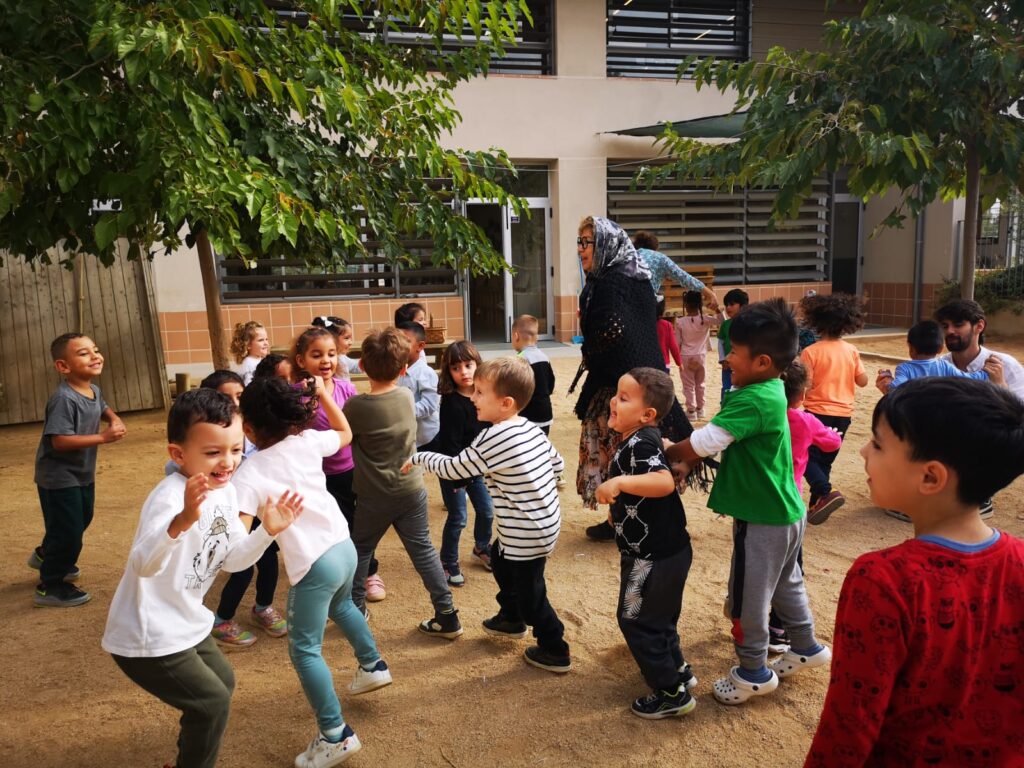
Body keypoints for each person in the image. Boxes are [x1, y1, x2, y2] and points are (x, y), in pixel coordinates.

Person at [805, 378, 1024, 767]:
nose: (863, 450)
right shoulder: (1020, 560)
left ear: (930, 477)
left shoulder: (883, 580)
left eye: (877, 445)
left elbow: (850, 723)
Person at [101, 388, 302, 768]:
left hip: (186, 619)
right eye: (213, 452)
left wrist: (267, 531)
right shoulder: (169, 498)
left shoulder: (226, 492)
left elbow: (234, 561)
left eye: (236, 449)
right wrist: (181, 521)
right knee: (210, 702)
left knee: (222, 682)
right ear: (178, 454)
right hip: (148, 632)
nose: (228, 461)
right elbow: (143, 565)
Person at [666, 299, 830, 705]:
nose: (725, 359)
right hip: (785, 512)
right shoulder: (771, 388)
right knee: (787, 583)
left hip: (762, 520)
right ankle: (806, 645)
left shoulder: (752, 398)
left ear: (761, 361)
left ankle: (753, 671)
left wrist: (668, 450)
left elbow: (706, 442)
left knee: (748, 596)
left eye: (733, 352)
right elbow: (721, 442)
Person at [232, 376, 391, 768]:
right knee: (343, 606)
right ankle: (372, 665)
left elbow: (237, 540)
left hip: (314, 563)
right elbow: (345, 433)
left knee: (304, 650)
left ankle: (335, 734)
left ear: (248, 428)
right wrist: (322, 394)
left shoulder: (249, 474)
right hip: (343, 546)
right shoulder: (306, 441)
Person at [409, 356, 571, 673]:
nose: (473, 397)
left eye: (480, 392)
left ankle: (555, 648)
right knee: (499, 557)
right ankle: (511, 617)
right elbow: (558, 464)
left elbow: (455, 468)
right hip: (540, 524)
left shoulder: (493, 437)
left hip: (525, 532)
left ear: (505, 403)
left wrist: (419, 457)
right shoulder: (529, 428)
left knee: (532, 594)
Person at [575, 216, 695, 542]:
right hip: (623, 382)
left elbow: (614, 330)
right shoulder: (629, 276)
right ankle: (618, 518)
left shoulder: (615, 281)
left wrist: (596, 352)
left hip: (628, 383)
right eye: (579, 242)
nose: (581, 249)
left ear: (605, 244)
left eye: (587, 242)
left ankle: (630, 519)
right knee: (618, 452)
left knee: (628, 453)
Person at [344, 328, 462, 637]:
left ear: (363, 366)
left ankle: (355, 610)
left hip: (373, 495)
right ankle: (447, 614)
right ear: (403, 369)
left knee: (361, 549)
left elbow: (345, 436)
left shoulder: (356, 406)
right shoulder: (406, 396)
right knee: (423, 551)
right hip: (411, 489)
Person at [595, 367, 696, 718]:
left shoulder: (640, 442)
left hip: (649, 558)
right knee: (660, 617)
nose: (613, 401)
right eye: (616, 394)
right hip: (668, 552)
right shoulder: (644, 436)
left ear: (647, 414)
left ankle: (670, 693)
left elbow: (663, 482)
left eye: (624, 398)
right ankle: (678, 670)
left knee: (636, 620)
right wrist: (618, 511)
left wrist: (619, 484)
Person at [180, 371, 286, 648]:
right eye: (227, 398)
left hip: (256, 511)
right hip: (227, 515)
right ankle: (221, 619)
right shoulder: (196, 450)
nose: (235, 403)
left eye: (240, 396)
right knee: (242, 569)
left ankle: (263, 607)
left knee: (268, 561)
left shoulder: (252, 434)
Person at [29, 333, 126, 607]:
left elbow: (101, 406)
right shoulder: (64, 399)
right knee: (69, 532)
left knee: (80, 519)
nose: (95, 356)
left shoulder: (92, 389)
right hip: (58, 477)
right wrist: (103, 437)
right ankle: (51, 585)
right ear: (63, 366)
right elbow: (59, 441)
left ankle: (46, 553)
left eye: (95, 349)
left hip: (81, 473)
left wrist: (113, 418)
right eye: (83, 353)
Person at [765, 360, 843, 649]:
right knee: (790, 567)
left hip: (759, 500)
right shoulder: (804, 420)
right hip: (790, 504)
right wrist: (832, 432)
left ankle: (745, 610)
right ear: (802, 394)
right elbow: (832, 443)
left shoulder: (763, 414)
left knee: (758, 563)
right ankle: (778, 626)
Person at [427, 340, 494, 586]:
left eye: (468, 365)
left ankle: (481, 547)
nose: (463, 372)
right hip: (452, 468)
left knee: (487, 510)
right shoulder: (451, 403)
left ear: (478, 365)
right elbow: (450, 444)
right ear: (449, 371)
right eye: (456, 368)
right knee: (458, 517)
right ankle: (448, 562)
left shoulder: (484, 395)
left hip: (475, 466)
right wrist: (457, 479)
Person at [798, 292, 869, 523]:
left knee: (805, 457)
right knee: (825, 460)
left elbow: (805, 384)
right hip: (843, 415)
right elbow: (862, 381)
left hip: (816, 413)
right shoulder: (851, 350)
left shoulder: (811, 352)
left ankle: (825, 491)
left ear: (816, 321)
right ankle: (817, 504)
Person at [876, 319, 999, 395]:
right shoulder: (945, 366)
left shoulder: (904, 368)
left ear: (911, 348)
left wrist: (888, 378)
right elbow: (969, 379)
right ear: (940, 349)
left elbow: (896, 388)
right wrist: (986, 371)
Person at [934, 298, 1024, 399]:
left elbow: (1020, 407)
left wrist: (1000, 385)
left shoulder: (1007, 366)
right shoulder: (936, 368)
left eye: (958, 325)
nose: (949, 331)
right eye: (945, 326)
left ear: (979, 326)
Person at [632, 230, 718, 311]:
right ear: (654, 247)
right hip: (646, 304)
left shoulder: (630, 255)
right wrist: (710, 293)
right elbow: (684, 278)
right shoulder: (659, 258)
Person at [674, 289, 724, 420]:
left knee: (688, 384)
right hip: (700, 356)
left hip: (685, 356)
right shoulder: (705, 319)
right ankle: (700, 409)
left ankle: (691, 411)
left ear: (685, 304)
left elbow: (677, 342)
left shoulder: (680, 322)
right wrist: (716, 309)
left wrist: (677, 359)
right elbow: (722, 321)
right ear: (700, 305)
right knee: (700, 383)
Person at [397, 320, 440, 449]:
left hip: (426, 438)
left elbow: (429, 405)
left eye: (406, 341)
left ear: (420, 346)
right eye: (397, 342)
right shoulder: (395, 370)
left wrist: (401, 411)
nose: (400, 346)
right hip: (407, 436)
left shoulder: (426, 373)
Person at [512, 314, 555, 435]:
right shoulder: (544, 357)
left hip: (527, 415)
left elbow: (516, 388)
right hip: (545, 413)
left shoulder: (520, 359)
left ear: (516, 336)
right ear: (536, 338)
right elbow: (551, 384)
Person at [718, 288, 749, 402]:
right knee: (727, 389)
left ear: (742, 306)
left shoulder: (749, 324)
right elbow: (720, 342)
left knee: (743, 390)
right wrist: (722, 359)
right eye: (726, 305)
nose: (728, 308)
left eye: (731, 304)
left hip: (744, 366)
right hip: (727, 366)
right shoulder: (726, 325)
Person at [230, 321, 270, 385]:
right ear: (248, 344)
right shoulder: (249, 364)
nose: (266, 343)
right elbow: (249, 386)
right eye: (261, 340)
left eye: (266, 339)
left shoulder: (259, 360)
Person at [655, 297, 682, 374]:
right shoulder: (667, 325)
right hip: (664, 363)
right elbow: (673, 346)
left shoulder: (645, 325)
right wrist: (679, 363)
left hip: (647, 364)